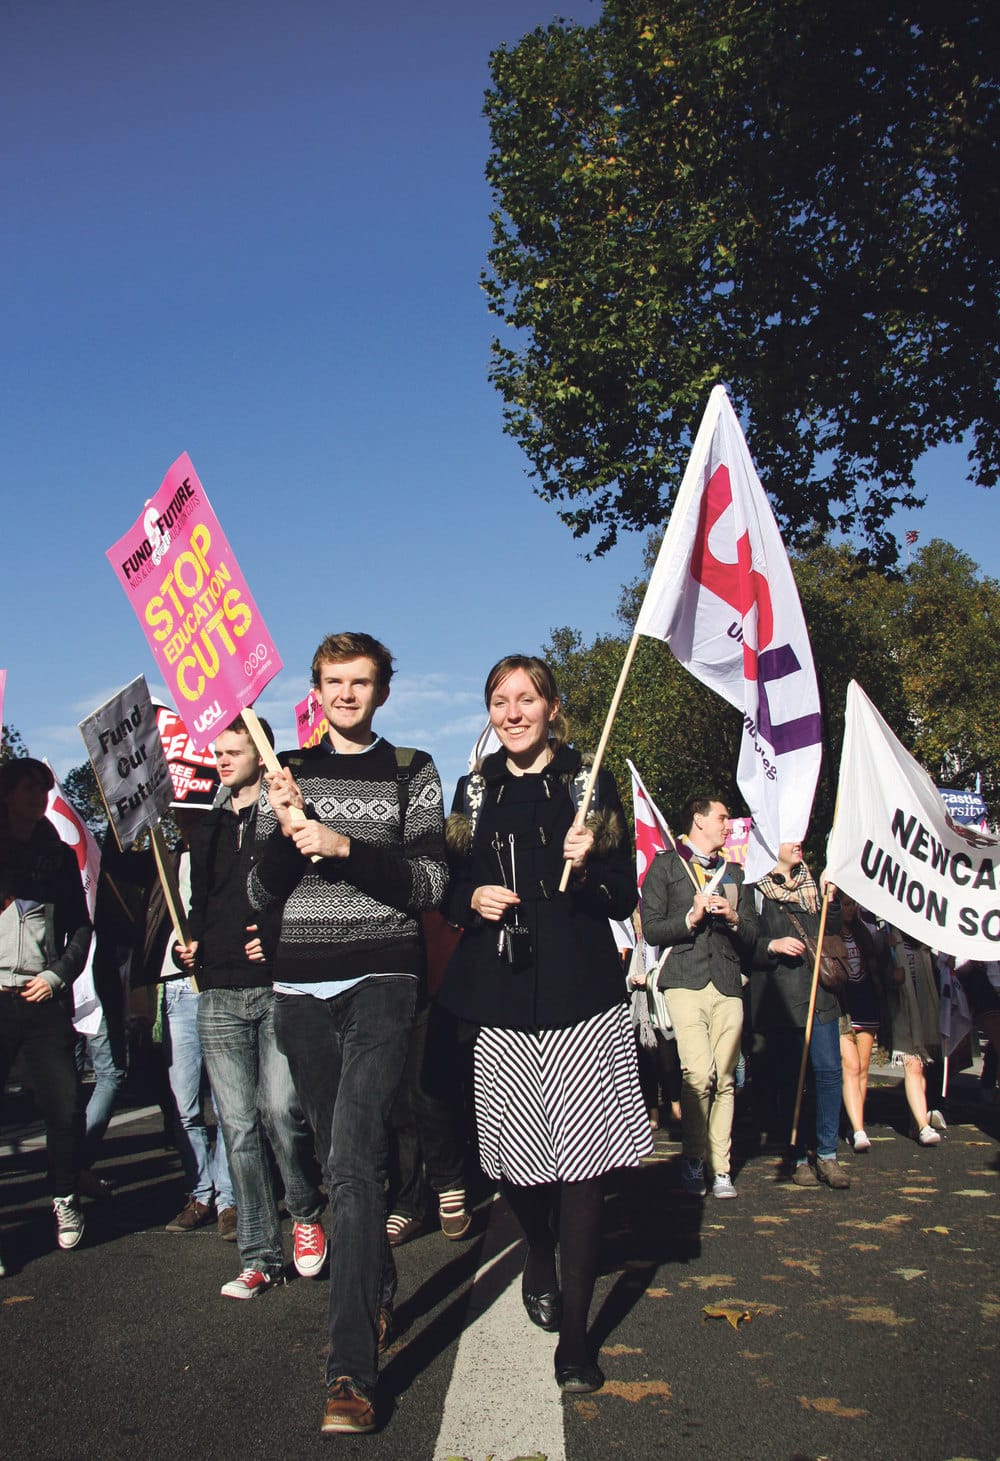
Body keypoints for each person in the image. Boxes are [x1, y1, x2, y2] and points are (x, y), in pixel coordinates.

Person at [248, 632, 448, 1435]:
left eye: (361, 682)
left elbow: (430, 881)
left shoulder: (412, 770)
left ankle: (349, 1374)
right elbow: (262, 890)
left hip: (382, 981)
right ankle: (379, 1287)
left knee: (356, 1164)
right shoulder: (286, 770)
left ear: (382, 690)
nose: (346, 694)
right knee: (342, 1167)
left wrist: (342, 844)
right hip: (299, 989)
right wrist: (287, 823)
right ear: (315, 688)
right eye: (333, 681)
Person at [437, 655, 651, 1396]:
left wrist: (590, 864)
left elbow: (625, 897)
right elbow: (446, 888)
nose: (513, 711)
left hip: (582, 994)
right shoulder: (472, 787)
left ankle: (577, 1335)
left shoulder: (588, 784)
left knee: (584, 1165)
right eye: (500, 700)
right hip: (499, 993)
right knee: (521, 1164)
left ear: (554, 707)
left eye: (527, 698)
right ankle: (538, 1243)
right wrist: (474, 898)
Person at [174, 715, 326, 1299]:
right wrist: (191, 941)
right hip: (216, 990)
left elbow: (308, 884)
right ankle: (260, 1254)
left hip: (277, 985)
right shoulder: (206, 827)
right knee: (236, 1127)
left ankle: (306, 1212)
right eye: (218, 750)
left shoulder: (285, 814)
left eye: (233, 749)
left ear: (259, 756)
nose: (221, 757)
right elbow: (200, 900)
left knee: (282, 1112)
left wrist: (281, 931)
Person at [640, 797, 757, 1199]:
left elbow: (754, 937)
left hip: (727, 981)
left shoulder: (736, 873)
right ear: (699, 820)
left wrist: (735, 917)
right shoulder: (667, 865)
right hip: (684, 980)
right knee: (698, 1073)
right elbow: (652, 929)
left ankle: (721, 1168)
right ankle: (693, 1157)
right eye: (722, 818)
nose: (729, 825)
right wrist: (689, 919)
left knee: (725, 1078)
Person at [0, 758, 92, 1253]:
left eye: (43, 788)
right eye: (28, 787)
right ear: (6, 794)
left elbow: (80, 926)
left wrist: (58, 975)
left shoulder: (56, 855)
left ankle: (64, 1196)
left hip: (41, 996)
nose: (38, 796)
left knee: (62, 1105)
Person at [750, 842, 851, 1189]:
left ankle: (827, 1154)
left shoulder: (812, 884)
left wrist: (832, 899)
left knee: (828, 1073)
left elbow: (831, 928)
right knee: (792, 1081)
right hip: (782, 999)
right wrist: (772, 945)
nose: (799, 844)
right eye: (789, 838)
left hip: (819, 994)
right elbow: (746, 940)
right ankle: (794, 1155)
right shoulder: (757, 889)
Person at [159, 809, 236, 1235]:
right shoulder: (164, 858)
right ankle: (199, 1192)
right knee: (184, 1104)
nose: (182, 813)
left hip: (218, 985)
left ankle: (227, 1198)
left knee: (229, 1103)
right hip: (177, 989)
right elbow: (152, 924)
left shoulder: (227, 852)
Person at [884, 929, 944, 1146]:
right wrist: (891, 975)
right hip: (902, 1014)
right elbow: (875, 973)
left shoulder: (926, 945)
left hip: (924, 1013)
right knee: (913, 1066)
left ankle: (914, 1120)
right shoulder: (887, 938)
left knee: (920, 1069)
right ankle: (922, 1126)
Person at [838, 895, 883, 1153]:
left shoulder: (863, 934)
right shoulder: (830, 932)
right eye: (845, 904)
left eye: (853, 903)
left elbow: (874, 967)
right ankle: (857, 1128)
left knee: (863, 1068)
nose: (850, 908)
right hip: (843, 1004)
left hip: (866, 1001)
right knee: (851, 1066)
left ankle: (856, 1121)